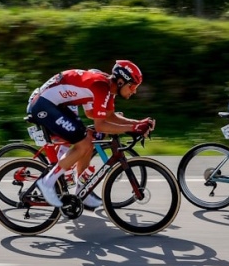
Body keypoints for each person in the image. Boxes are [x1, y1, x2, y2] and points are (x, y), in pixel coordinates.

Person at [28, 60, 155, 208]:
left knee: (89, 137)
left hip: (56, 105)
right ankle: (47, 182)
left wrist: (137, 123)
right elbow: (100, 125)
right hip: (43, 104)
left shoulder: (108, 89)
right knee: (83, 143)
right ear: (121, 81)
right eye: (133, 86)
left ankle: (82, 190)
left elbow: (105, 115)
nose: (134, 91)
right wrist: (132, 128)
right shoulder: (101, 86)